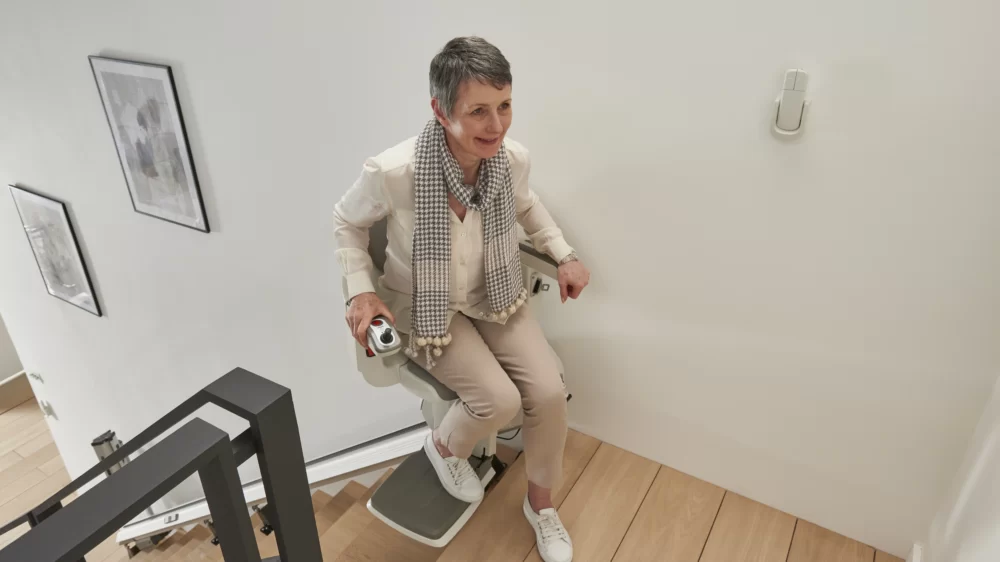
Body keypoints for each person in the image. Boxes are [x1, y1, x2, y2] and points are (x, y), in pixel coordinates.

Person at [333, 36, 590, 562]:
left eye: (505, 106)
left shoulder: (510, 159)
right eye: (478, 111)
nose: (496, 126)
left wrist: (563, 253)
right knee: (499, 401)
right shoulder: (393, 172)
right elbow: (346, 223)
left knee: (547, 392)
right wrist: (361, 292)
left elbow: (528, 205)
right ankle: (444, 446)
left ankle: (541, 507)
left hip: (494, 295)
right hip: (425, 306)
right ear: (439, 108)